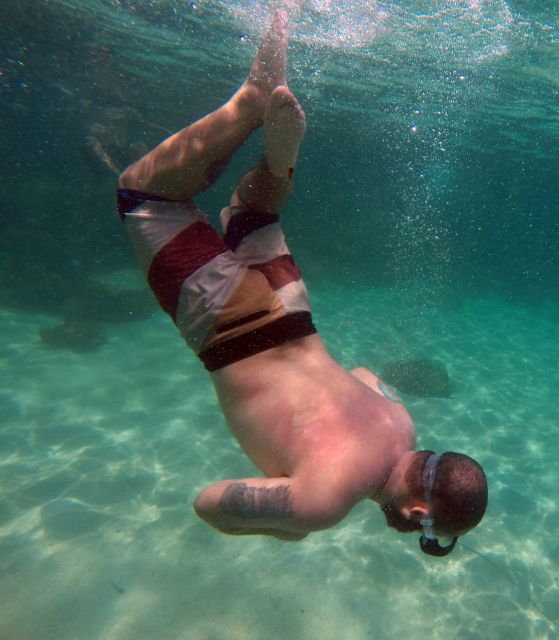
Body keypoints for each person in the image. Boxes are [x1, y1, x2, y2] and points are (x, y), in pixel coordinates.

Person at [116, 10, 487, 557]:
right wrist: (290, 525)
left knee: (251, 211)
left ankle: (278, 158)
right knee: (145, 195)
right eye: (430, 534)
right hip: (232, 326)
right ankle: (251, 101)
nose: (420, 534)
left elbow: (362, 373)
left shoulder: (401, 423)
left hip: (293, 309)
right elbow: (210, 502)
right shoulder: (323, 500)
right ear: (418, 513)